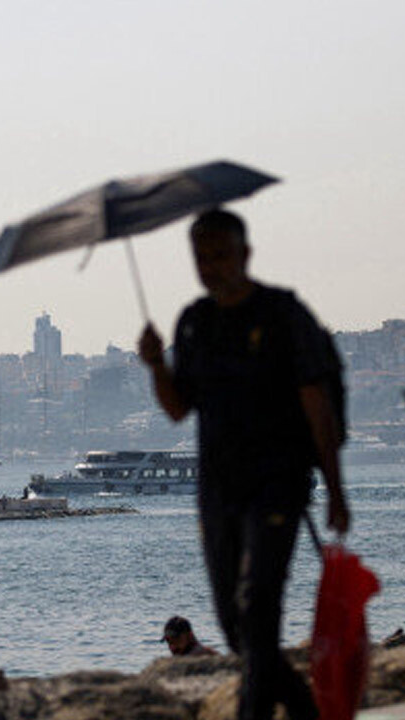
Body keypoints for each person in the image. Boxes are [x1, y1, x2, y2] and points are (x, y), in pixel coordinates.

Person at [138, 208, 350, 720]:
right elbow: (177, 408)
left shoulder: (282, 313)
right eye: (200, 258)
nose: (210, 266)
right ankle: (307, 713)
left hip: (277, 482)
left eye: (220, 255)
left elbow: (316, 400)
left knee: (258, 610)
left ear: (245, 254)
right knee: (236, 627)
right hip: (218, 489)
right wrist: (156, 365)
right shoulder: (194, 322)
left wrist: (336, 487)